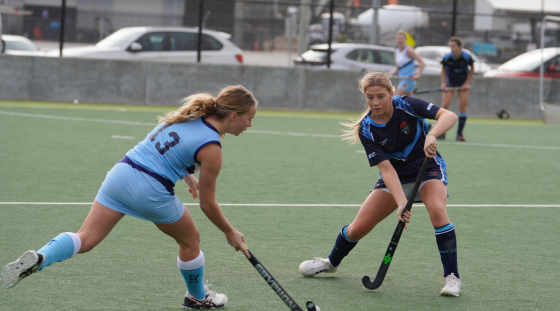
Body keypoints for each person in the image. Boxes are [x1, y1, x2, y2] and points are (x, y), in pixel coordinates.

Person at [1, 85, 258, 309]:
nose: (250, 125)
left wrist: (186, 175)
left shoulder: (187, 116)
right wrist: (229, 232)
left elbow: (166, 150)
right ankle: (197, 297)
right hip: (151, 191)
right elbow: (207, 203)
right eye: (249, 118)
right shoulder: (212, 147)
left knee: (86, 238)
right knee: (190, 240)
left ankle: (42, 257)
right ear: (234, 115)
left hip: (121, 174)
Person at [298, 72, 462, 297]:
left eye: (381, 96)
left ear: (391, 94)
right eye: (370, 97)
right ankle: (331, 262)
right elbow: (386, 169)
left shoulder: (407, 105)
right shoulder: (367, 129)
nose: (375, 102)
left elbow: (449, 115)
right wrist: (401, 202)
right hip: (395, 175)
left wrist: (432, 134)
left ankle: (452, 277)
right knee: (358, 228)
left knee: (437, 210)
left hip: (427, 170)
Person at [439, 36, 474, 141]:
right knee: (445, 106)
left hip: (462, 85)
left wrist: (466, 83)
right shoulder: (447, 57)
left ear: (460, 47)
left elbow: (472, 70)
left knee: (462, 107)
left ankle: (459, 134)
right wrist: (443, 83)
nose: (452, 48)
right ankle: (442, 132)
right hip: (450, 84)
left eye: (454, 46)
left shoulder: (466, 57)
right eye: (450, 46)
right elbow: (443, 70)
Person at [387, 30, 425, 96]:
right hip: (402, 79)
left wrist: (418, 75)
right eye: (398, 38)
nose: (400, 40)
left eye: (402, 38)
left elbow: (422, 63)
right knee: (408, 103)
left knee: (395, 99)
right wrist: (389, 73)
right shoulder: (396, 51)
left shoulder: (409, 50)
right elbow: (397, 68)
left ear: (405, 39)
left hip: (409, 80)